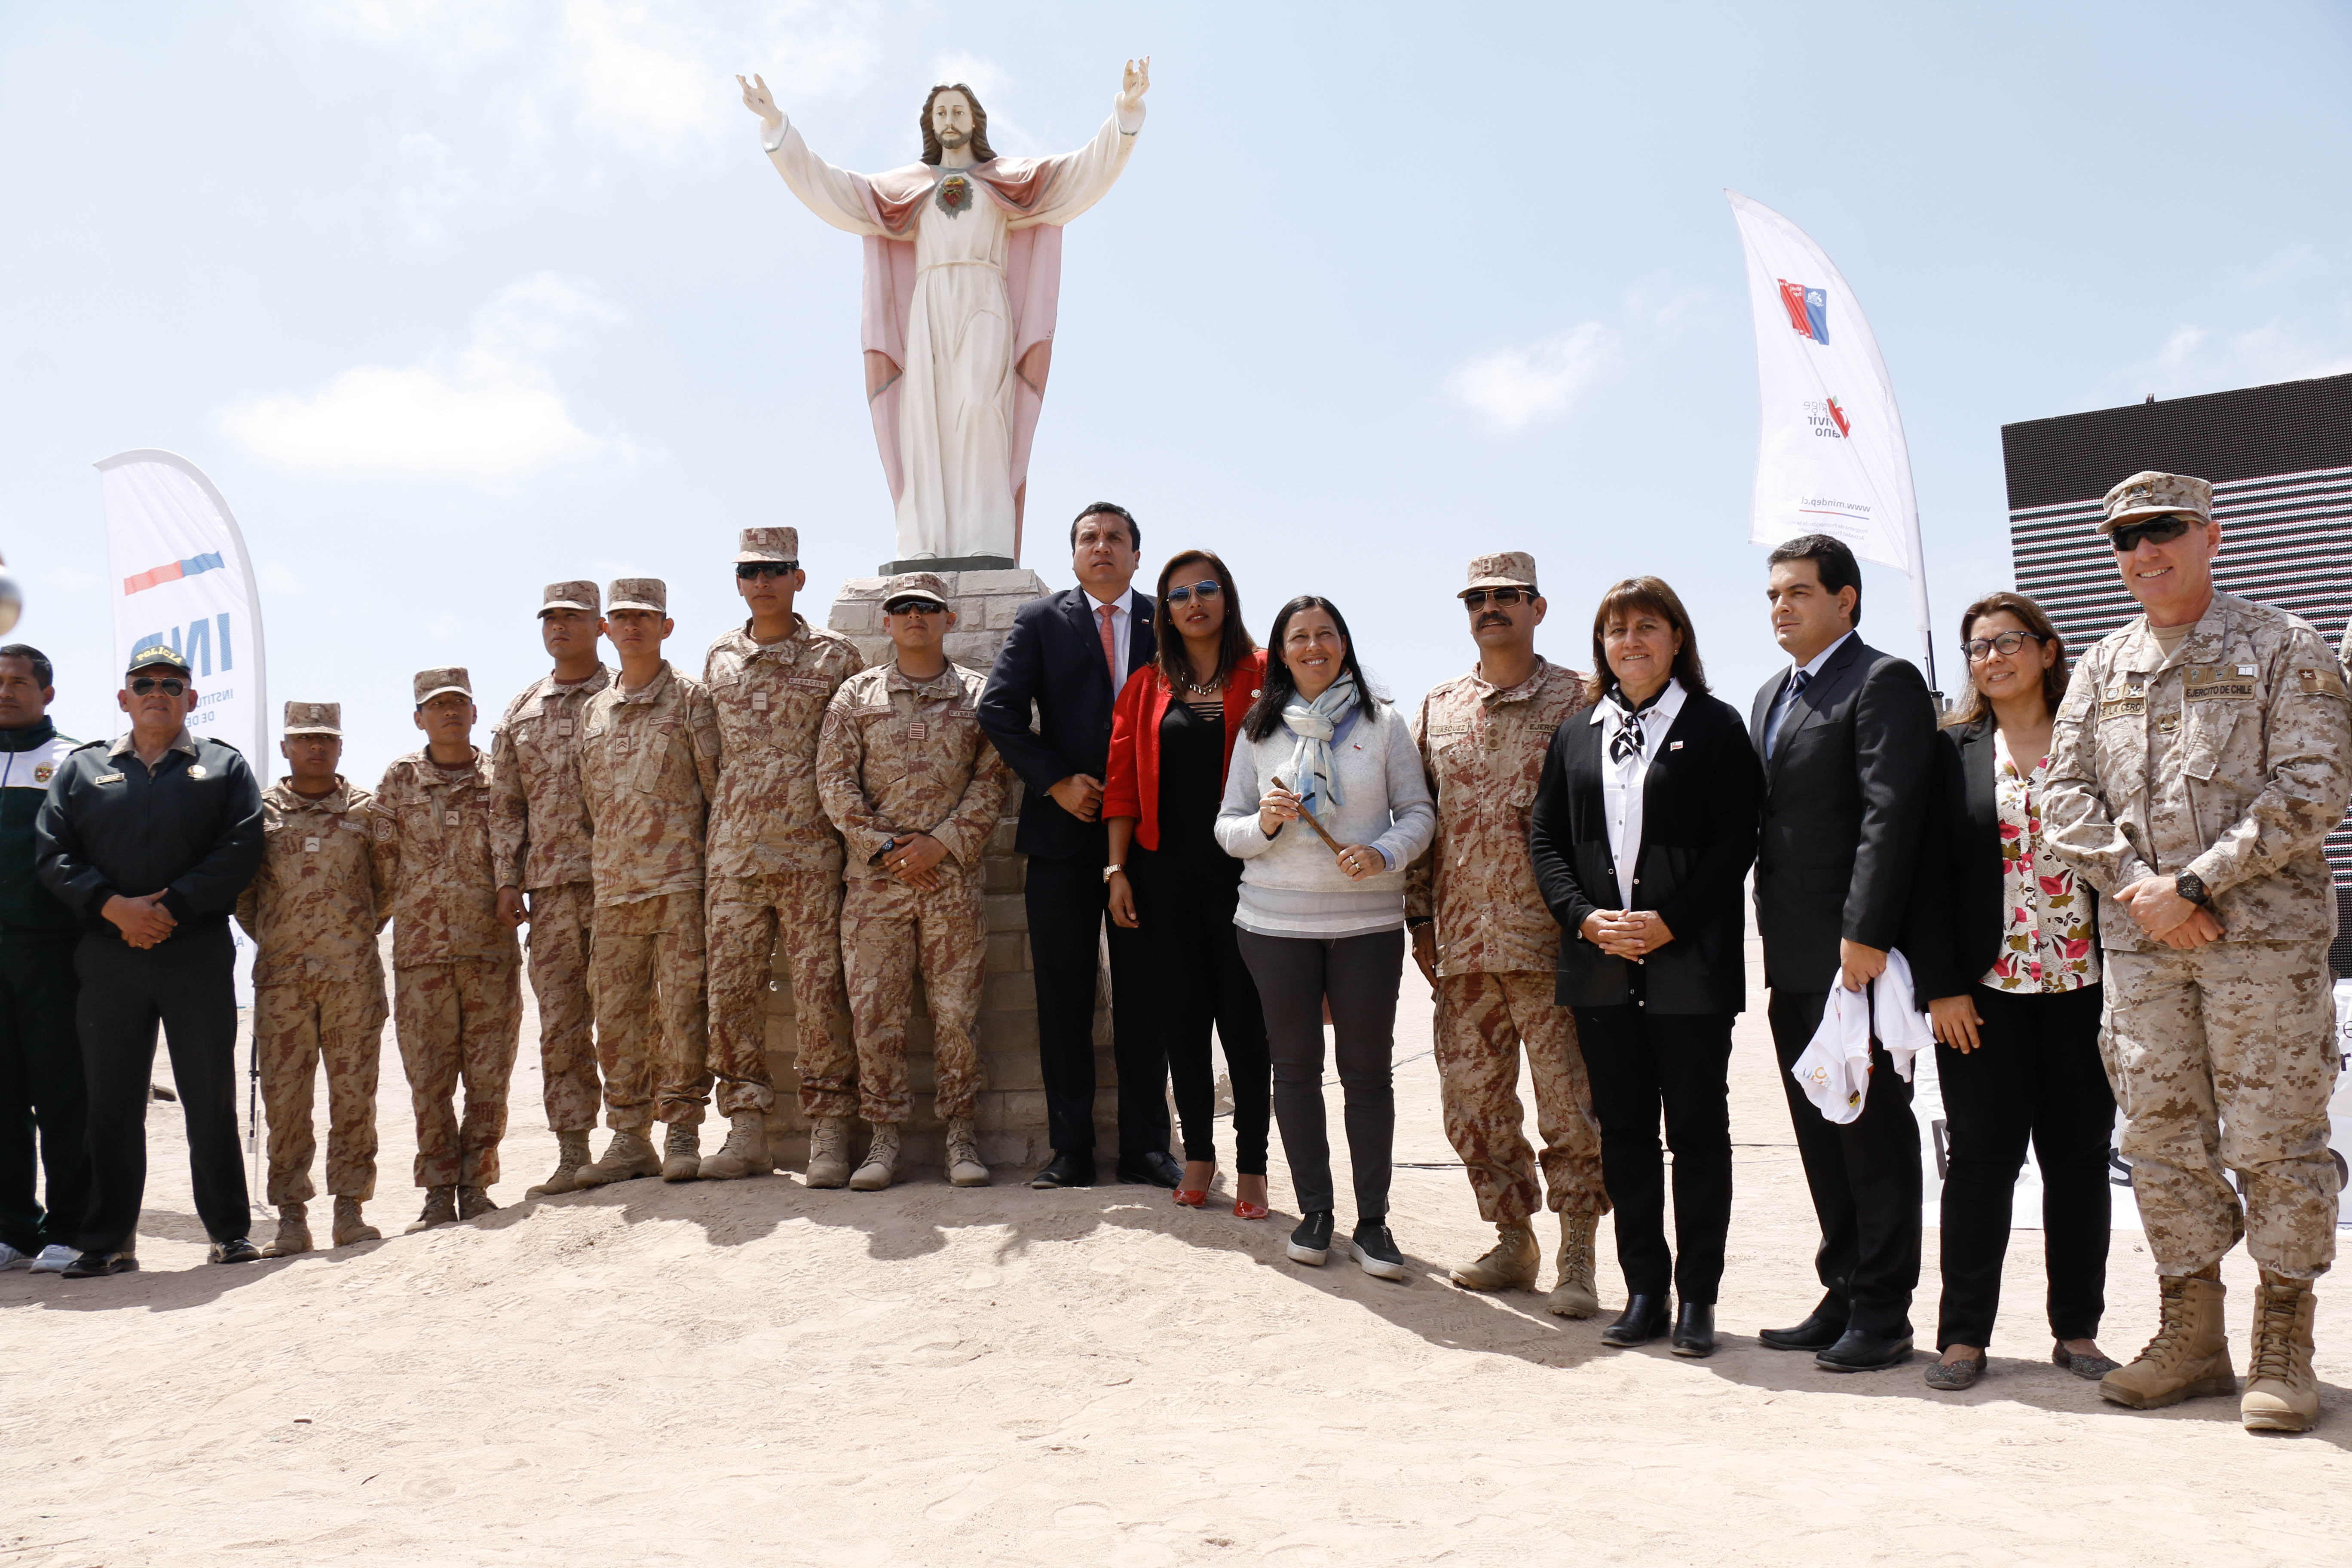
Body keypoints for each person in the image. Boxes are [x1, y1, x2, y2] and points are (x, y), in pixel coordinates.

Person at [2043, 472, 2352, 1434]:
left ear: (2210, 535)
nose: (2145, 552)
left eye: (2163, 531)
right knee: (2160, 1142)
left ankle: (2283, 1343)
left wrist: (2195, 886)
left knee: (2274, 1142)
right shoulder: (2098, 669)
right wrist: (2144, 889)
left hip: (2261, 953)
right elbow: (2062, 799)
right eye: (2125, 539)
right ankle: (2193, 1335)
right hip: (2145, 956)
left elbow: (2315, 784)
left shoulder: (2282, 646)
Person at [1529, 576, 1760, 1357]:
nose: (1631, 641)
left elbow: (1737, 842)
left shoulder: (1717, 726)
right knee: (1624, 1135)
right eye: (1616, 629)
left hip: (1687, 965)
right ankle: (1645, 1292)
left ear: (1677, 640)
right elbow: (1547, 842)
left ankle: (1697, 1299)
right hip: (1599, 968)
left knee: (1697, 1135)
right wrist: (1585, 918)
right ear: (1600, 645)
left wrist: (1671, 923)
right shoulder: (1575, 733)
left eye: (1648, 627)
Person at [1904, 593, 2117, 1391]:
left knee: (2079, 1163)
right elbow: (1925, 879)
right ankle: (1962, 1337)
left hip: (2086, 991)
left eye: (2008, 642)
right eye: (1977, 647)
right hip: (1984, 997)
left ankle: (2079, 1332)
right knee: (1981, 1166)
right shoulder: (1948, 750)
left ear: (2048, 650)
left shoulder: (2094, 743)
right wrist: (1943, 989)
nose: (1992, 657)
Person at [1746, 534, 1936, 1371]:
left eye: (1798, 592)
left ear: (1846, 600)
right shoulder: (1769, 696)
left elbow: (1891, 813)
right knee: (1823, 1127)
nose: (1781, 607)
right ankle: (1844, 1288)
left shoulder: (1882, 681)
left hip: (1856, 960)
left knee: (1873, 1134)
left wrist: (1864, 934)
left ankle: (1885, 1312)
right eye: (1773, 595)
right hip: (1789, 959)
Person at [1406, 553, 1610, 1318]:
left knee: (1569, 1108)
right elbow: (1422, 820)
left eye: (1506, 597)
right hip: (1461, 949)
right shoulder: (1439, 707)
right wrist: (1420, 920)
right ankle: (1513, 1237)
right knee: (1474, 1108)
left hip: (1551, 945)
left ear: (1538, 606)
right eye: (1478, 598)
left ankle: (1579, 1252)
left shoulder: (1580, 700)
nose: (1490, 608)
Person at [1216, 596, 1436, 1281]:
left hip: (1367, 926)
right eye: (1299, 637)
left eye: (1326, 635)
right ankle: (1315, 1212)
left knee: (1368, 1074)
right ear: (1280, 653)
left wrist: (1384, 854)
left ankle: (1374, 1223)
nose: (1313, 647)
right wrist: (1268, 825)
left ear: (1343, 644)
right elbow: (1227, 829)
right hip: (1274, 927)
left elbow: (1419, 812)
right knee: (1296, 1070)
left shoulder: (1386, 723)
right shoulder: (1258, 731)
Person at [35, 643, 264, 1275]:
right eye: (144, 684)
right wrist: (113, 908)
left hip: (194, 952)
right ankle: (108, 1240)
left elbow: (242, 846)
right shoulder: (83, 770)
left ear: (191, 698)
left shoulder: (223, 767)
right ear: (123, 698)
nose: (156, 693)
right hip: (109, 957)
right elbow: (54, 855)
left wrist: (173, 909)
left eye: (171, 683)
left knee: (208, 1094)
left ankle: (229, 1231)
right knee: (109, 1100)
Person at [979, 504, 1174, 1190]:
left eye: (1116, 538)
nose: (1102, 548)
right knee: (1062, 996)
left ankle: (1149, 1147)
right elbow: (998, 711)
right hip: (1061, 838)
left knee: (1146, 996)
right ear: (1073, 556)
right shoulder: (1041, 621)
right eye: (1089, 538)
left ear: (1135, 555)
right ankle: (1070, 1151)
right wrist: (1057, 781)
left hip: (1149, 840)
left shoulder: (1167, 620)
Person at [817, 573, 1010, 1189]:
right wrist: (885, 848)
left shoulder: (979, 697)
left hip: (950, 883)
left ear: (949, 619)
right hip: (875, 886)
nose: (914, 618)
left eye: (927, 609)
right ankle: (883, 1138)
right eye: (901, 609)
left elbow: (993, 780)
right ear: (887, 623)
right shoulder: (856, 695)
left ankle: (961, 1135)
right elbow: (834, 781)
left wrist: (941, 844)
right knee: (876, 1016)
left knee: (957, 1016)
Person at [1103, 550, 1272, 1215]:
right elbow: (1120, 785)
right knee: (1183, 1022)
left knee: (1244, 1022)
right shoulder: (1146, 685)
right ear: (1164, 610)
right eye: (1179, 594)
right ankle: (1198, 1155)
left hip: (1249, 877)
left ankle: (1254, 1163)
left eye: (1207, 589)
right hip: (1161, 875)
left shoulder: (1266, 673)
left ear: (1227, 598)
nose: (1194, 602)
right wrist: (1116, 870)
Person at [701, 528, 864, 1182]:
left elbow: (856, 751)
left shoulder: (835, 657)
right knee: (732, 996)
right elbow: (708, 757)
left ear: (800, 578)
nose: (762, 581)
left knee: (820, 995)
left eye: (776, 569)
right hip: (735, 857)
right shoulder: (719, 657)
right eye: (750, 571)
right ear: (738, 581)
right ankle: (745, 1130)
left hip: (811, 855)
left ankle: (828, 1130)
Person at [571, 579, 724, 1187]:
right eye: (621, 618)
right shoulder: (592, 711)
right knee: (617, 1016)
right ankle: (629, 1137)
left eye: (645, 617)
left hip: (679, 882)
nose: (631, 627)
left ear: (666, 627)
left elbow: (717, 789)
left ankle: (682, 1130)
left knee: (683, 1009)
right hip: (614, 889)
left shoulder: (691, 699)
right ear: (606, 629)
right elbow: (589, 804)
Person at [234, 702, 389, 1256]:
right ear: (285, 749)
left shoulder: (368, 812)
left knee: (354, 1097)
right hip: (282, 981)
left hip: (352, 979)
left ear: (341, 746)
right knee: (286, 1100)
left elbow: (385, 888)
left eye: (326, 738)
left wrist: (346, 935)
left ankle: (350, 1209)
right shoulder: (259, 814)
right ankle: (291, 1218)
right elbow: (245, 897)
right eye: (304, 739)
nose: (316, 748)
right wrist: (285, 937)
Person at [374, 669, 523, 1233]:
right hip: (423, 959)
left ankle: (478, 1186)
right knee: (430, 1081)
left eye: (459, 703)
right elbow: (381, 866)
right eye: (437, 706)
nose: (450, 713)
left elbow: (516, 846)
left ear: (475, 712)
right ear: (420, 718)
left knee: (490, 1078)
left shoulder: (498, 778)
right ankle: (438, 1193)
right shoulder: (400, 781)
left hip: (490, 952)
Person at [489, 582, 612, 1197]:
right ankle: (571, 1150)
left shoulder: (626, 695)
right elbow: (506, 805)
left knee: (629, 1017)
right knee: (562, 1026)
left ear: (600, 626)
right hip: (553, 893)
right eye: (551, 618)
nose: (560, 627)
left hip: (623, 883)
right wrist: (507, 879)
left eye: (573, 617)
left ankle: (634, 1139)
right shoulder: (522, 712)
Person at [0, 645, 87, 1275]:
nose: (6, 691)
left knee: (61, 1093)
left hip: (51, 956)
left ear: (47, 694)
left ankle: (70, 1226)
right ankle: (13, 1228)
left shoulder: (73, 764)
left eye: (19, 682)